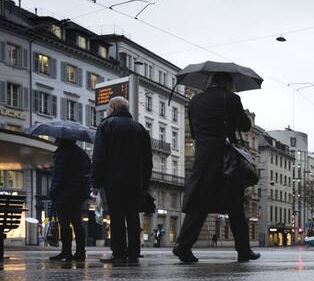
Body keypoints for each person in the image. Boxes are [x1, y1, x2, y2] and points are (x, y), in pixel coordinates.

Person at [173, 72, 260, 263]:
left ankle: (183, 246)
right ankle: (244, 250)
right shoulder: (231, 98)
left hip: (203, 158)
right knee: (236, 207)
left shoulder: (194, 101)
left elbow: (195, 133)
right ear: (227, 82)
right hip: (224, 159)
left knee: (199, 205)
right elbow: (245, 126)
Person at [92, 97, 152, 266]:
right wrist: (144, 183)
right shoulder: (140, 128)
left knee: (117, 218)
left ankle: (118, 253)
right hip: (136, 182)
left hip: (113, 181)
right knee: (133, 217)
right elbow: (148, 159)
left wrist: (96, 182)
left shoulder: (106, 126)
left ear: (112, 108)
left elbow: (99, 157)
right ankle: (134, 252)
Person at [48, 138, 91, 262]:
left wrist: (52, 192)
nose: (55, 140)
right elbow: (88, 172)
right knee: (77, 223)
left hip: (63, 194)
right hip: (78, 194)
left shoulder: (62, 154)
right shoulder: (82, 154)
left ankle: (66, 252)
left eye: (57, 139)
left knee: (65, 224)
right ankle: (80, 252)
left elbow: (58, 176)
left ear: (62, 141)